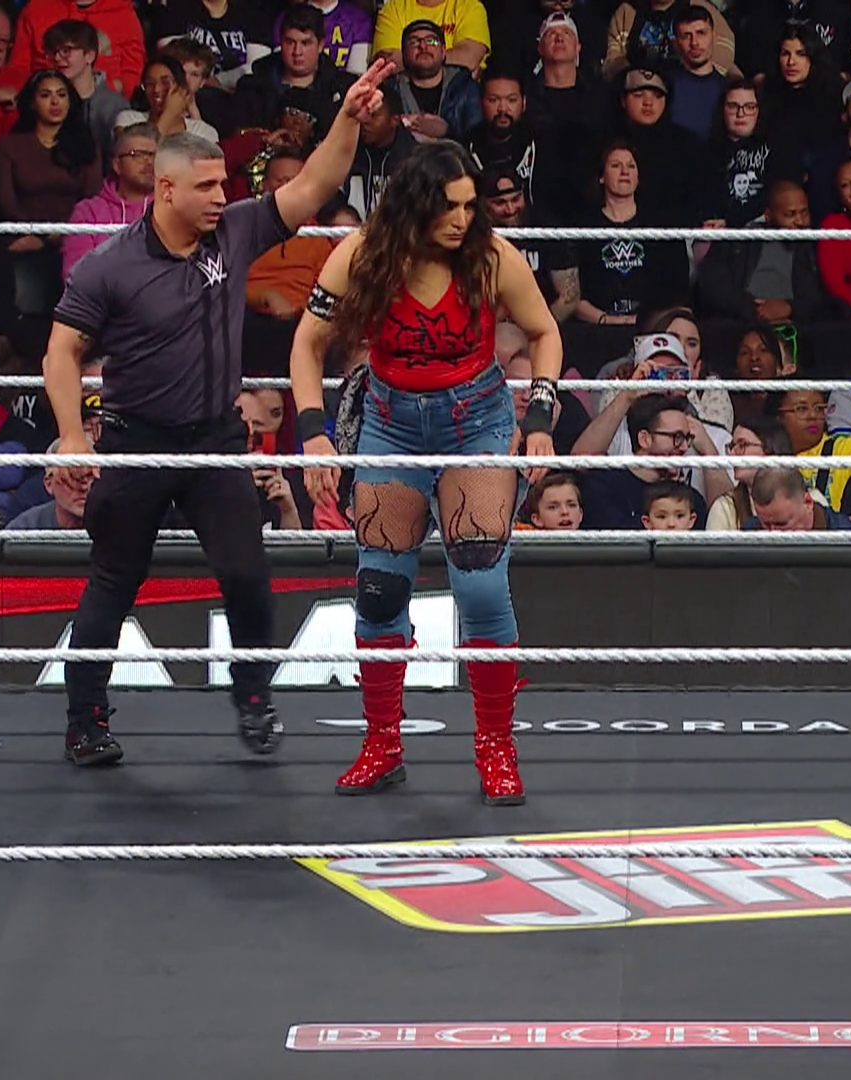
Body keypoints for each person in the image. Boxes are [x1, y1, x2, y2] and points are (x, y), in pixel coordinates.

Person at [44, 59, 398, 770]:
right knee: (113, 580)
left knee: (247, 573)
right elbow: (62, 352)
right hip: (138, 443)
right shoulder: (109, 265)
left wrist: (348, 118)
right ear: (165, 188)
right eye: (206, 187)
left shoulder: (233, 232)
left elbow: (314, 186)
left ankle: (254, 696)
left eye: (222, 185)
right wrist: (74, 434)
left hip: (214, 439)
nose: (220, 197)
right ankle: (85, 720)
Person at [292, 139, 562, 803]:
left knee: (481, 588)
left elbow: (545, 332)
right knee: (380, 590)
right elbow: (307, 342)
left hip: (477, 422)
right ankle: (382, 744)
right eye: (450, 207)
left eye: (471, 206)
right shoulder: (362, 254)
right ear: (414, 204)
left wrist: (540, 417)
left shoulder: (491, 257)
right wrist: (313, 433)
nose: (464, 220)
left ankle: (496, 747)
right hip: (391, 424)